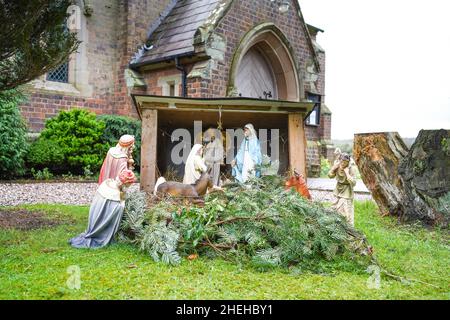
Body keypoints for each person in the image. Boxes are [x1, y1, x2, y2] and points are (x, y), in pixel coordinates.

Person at [69, 169, 136, 248]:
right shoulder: (115, 195)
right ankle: (101, 234)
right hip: (101, 220)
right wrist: (122, 203)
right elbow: (116, 210)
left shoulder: (107, 183)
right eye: (128, 185)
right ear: (124, 184)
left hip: (94, 213)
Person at [328, 153, 357, 225]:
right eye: (342, 161)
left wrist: (347, 173)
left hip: (347, 191)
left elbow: (353, 183)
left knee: (345, 210)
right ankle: (334, 225)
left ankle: (346, 226)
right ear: (340, 160)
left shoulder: (351, 168)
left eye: (346, 162)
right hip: (338, 189)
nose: (343, 163)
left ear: (348, 162)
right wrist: (333, 169)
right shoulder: (337, 166)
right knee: (334, 208)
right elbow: (330, 176)